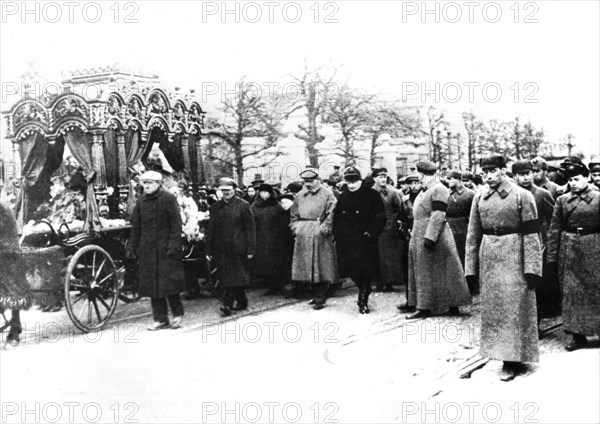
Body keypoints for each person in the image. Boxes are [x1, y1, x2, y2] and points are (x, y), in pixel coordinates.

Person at [465, 155, 543, 381]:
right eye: (484, 171)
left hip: (515, 255)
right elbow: (472, 235)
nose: (488, 175)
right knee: (495, 309)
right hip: (489, 256)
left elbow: (531, 235)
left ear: (503, 170)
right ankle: (502, 355)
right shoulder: (479, 197)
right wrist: (471, 269)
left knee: (515, 307)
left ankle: (513, 359)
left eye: (493, 171)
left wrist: (532, 268)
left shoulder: (522, 196)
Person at [404, 161, 471, 319]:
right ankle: (429, 304)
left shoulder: (439, 189)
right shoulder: (425, 190)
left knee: (441, 272)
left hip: (435, 235)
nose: (419, 179)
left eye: (421, 175)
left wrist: (430, 237)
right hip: (422, 233)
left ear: (428, 175)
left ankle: (427, 306)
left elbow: (438, 214)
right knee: (428, 272)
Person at [547, 161, 600, 351]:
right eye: (570, 180)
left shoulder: (598, 198)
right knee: (571, 293)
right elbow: (554, 230)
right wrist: (552, 258)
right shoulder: (562, 200)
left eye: (577, 179)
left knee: (595, 290)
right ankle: (577, 336)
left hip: (594, 247)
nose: (574, 183)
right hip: (569, 248)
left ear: (587, 178)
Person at [126, 171, 185, 330]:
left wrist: (173, 245)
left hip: (166, 249)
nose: (146, 186)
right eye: (144, 183)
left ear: (158, 184)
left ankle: (177, 313)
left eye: (150, 183)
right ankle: (160, 319)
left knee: (169, 284)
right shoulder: (141, 202)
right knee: (153, 285)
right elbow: (136, 227)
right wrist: (132, 247)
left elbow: (176, 225)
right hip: (148, 250)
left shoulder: (168, 199)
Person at [512, 160, 560, 323]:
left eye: (528, 174)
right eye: (521, 175)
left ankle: (537, 320)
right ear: (515, 177)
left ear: (532, 173)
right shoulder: (512, 194)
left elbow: (553, 219)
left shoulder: (541, 194)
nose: (525, 178)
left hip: (538, 242)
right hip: (515, 242)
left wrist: (547, 241)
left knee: (536, 282)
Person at [333, 167, 385, 313]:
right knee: (351, 270)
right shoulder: (343, 196)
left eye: (354, 181)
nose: (351, 185)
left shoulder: (372, 195)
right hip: (346, 241)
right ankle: (363, 289)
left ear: (360, 180)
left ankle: (363, 299)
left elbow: (380, 217)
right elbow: (337, 217)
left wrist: (371, 234)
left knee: (365, 270)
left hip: (364, 240)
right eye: (348, 182)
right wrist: (337, 233)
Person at [206, 178, 256, 317]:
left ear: (234, 190)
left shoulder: (243, 205)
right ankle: (242, 300)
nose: (226, 193)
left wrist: (251, 248)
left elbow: (250, 228)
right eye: (223, 191)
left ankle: (227, 304)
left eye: (228, 190)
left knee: (234, 276)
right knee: (228, 277)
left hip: (238, 247)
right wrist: (208, 250)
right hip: (221, 249)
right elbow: (211, 230)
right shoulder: (215, 208)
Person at [290, 168, 338, 310]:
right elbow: (293, 215)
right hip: (303, 233)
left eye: (311, 181)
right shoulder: (300, 195)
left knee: (321, 265)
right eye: (306, 181)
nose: (308, 184)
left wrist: (323, 229)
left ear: (317, 180)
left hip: (320, 233)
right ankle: (313, 293)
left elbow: (332, 214)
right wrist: (296, 229)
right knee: (306, 266)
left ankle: (320, 296)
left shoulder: (327, 194)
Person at [372, 167, 409, 292]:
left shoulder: (393, 192)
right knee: (376, 254)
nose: (383, 179)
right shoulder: (370, 192)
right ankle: (378, 281)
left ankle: (389, 281)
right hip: (375, 226)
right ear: (374, 179)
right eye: (380, 177)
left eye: (384, 177)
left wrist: (396, 221)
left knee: (390, 255)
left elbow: (399, 208)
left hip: (390, 226)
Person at [1, 202, 30, 349]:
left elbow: (8, 240)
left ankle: (14, 329)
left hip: (9, 257)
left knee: (12, 292)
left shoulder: (4, 210)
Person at [252, 183, 287, 296]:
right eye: (261, 192)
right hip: (260, 238)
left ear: (270, 193)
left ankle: (278, 285)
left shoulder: (276, 206)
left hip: (274, 238)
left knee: (275, 262)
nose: (263, 195)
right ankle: (269, 284)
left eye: (265, 192)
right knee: (264, 263)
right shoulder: (255, 206)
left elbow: (281, 222)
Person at [446, 170, 475, 268]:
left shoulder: (469, 194)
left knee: (463, 255)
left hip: (464, 229)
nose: (448, 181)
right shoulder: (447, 194)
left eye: (450, 179)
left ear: (458, 179)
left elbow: (474, 214)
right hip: (449, 228)